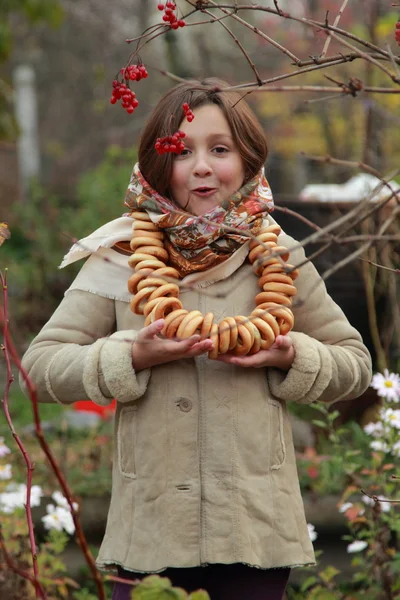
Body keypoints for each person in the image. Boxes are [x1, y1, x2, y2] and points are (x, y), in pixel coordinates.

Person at [21, 78, 372, 600]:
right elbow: (38, 367)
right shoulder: (118, 255)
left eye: (220, 149)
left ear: (248, 159)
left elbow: (355, 363)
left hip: (255, 531)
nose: (202, 166)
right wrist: (131, 355)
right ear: (159, 163)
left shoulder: (280, 254)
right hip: (151, 531)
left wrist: (289, 354)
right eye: (182, 152)